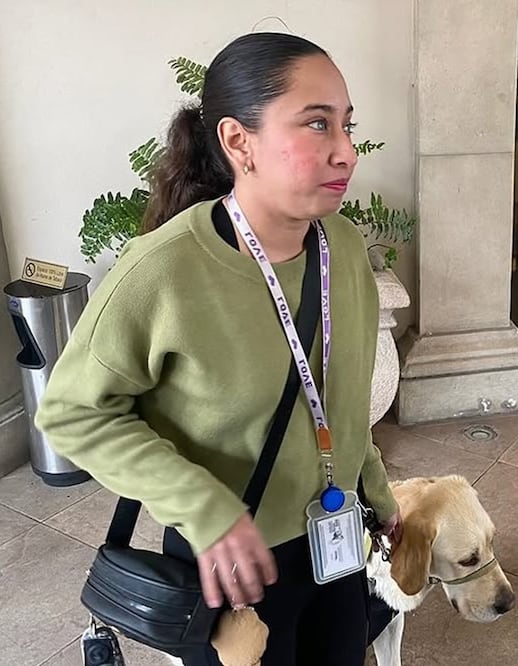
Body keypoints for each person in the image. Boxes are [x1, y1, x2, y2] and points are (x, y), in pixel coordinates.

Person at [35, 31, 401, 665]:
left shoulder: (341, 245)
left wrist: (373, 487)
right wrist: (203, 509)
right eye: (317, 124)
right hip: (234, 565)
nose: (346, 152)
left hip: (338, 541)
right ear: (238, 142)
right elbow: (71, 412)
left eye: (347, 124)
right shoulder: (162, 270)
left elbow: (337, 396)